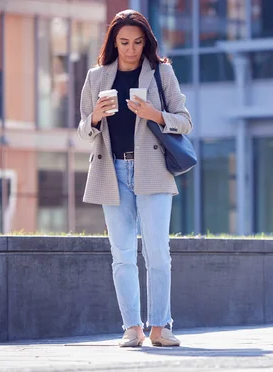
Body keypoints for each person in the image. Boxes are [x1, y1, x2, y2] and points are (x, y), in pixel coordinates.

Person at [77, 9, 192, 347]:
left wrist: (154, 115)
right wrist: (95, 117)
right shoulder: (96, 78)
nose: (131, 49)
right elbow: (83, 132)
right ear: (114, 41)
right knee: (122, 253)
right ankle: (132, 328)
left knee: (158, 252)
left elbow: (185, 121)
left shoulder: (161, 73)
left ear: (147, 43)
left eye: (138, 42)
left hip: (152, 169)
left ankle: (161, 326)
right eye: (124, 42)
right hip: (111, 170)